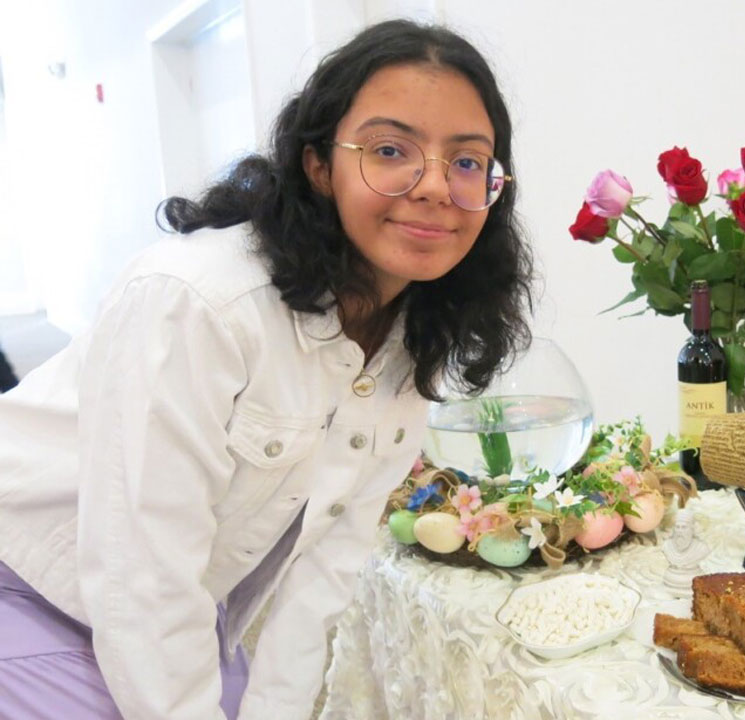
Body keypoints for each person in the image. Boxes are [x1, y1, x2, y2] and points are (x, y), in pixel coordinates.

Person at [0, 19, 533, 720]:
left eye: (467, 162)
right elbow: (142, 578)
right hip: (32, 588)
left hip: (185, 610)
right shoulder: (197, 303)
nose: (435, 186)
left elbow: (323, 576)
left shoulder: (407, 343)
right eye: (390, 150)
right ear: (318, 166)